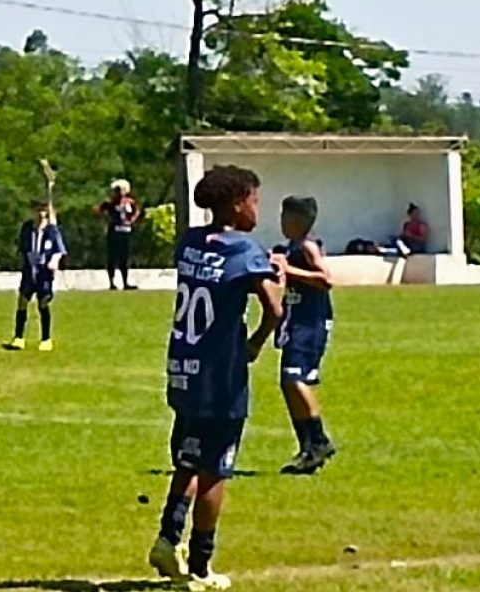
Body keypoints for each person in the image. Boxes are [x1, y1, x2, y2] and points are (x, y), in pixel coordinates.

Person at [147, 165, 284, 591]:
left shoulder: (189, 243)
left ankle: (168, 539)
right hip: (221, 375)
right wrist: (257, 342)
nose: (257, 210)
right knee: (215, 470)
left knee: (187, 457)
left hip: (184, 367)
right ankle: (202, 567)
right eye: (255, 201)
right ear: (238, 203)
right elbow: (275, 309)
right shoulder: (245, 249)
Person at [271, 196, 336, 475]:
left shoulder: (307, 247)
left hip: (312, 322)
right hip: (297, 321)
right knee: (287, 383)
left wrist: (289, 270)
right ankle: (308, 445)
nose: (281, 223)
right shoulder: (291, 247)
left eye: (285, 217)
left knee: (294, 379)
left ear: (297, 221)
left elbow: (326, 280)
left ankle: (319, 439)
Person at [3, 200, 67, 352]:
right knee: (22, 301)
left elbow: (59, 251)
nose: (40, 214)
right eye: (37, 210)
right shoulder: (27, 229)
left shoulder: (52, 231)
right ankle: (18, 338)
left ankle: (46, 339)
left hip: (44, 273)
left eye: (43, 211)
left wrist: (53, 261)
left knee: (43, 304)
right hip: (29, 271)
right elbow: (23, 249)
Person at [95, 179, 140, 290]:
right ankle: (112, 282)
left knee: (124, 258)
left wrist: (131, 221)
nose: (119, 192)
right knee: (112, 257)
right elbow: (98, 210)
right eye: (117, 190)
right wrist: (107, 220)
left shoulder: (130, 202)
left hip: (125, 231)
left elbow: (136, 211)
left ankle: (125, 282)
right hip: (114, 232)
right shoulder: (110, 202)